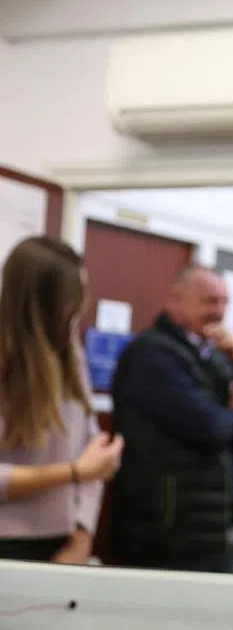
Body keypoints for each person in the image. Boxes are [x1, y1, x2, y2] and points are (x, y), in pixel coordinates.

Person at [109, 264, 233, 573]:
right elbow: (209, 428)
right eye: (210, 301)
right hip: (164, 536)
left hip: (213, 531)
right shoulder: (151, 354)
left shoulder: (215, 356)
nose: (220, 312)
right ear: (175, 299)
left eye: (225, 302)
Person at [0, 236, 124, 562]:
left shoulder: (70, 352)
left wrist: (83, 535)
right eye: (74, 292)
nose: (84, 301)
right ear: (44, 299)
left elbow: (93, 449)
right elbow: (86, 467)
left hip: (63, 540)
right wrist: (73, 472)